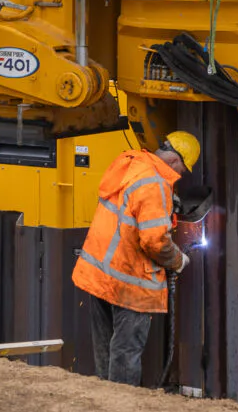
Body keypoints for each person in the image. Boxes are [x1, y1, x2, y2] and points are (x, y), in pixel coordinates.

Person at [70, 128, 201, 387]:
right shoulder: (154, 183)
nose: (180, 175)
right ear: (175, 160)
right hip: (128, 282)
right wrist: (177, 260)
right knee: (125, 352)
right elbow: (155, 241)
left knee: (105, 351)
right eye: (183, 169)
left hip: (100, 276)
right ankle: (121, 406)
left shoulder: (131, 164)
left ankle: (104, 404)